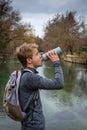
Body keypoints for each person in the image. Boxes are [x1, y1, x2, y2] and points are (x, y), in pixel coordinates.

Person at [16, 43, 64, 130]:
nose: (41, 56)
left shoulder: (24, 73)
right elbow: (59, 84)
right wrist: (56, 62)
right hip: (34, 126)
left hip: (28, 123)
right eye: (37, 54)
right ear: (29, 60)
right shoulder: (31, 77)